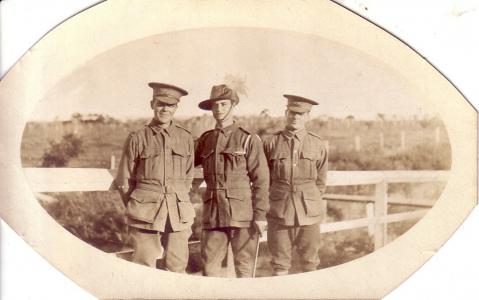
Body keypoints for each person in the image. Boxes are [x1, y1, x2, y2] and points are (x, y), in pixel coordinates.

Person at [115, 82, 196, 273]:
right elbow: (123, 181)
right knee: (144, 267)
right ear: (152, 104)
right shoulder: (137, 137)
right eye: (160, 104)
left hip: (178, 211)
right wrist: (138, 204)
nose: (165, 109)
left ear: (176, 107)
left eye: (170, 105)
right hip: (145, 211)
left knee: (177, 266)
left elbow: (188, 177)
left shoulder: (185, 138)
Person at [194, 84, 269, 277]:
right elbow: (183, 161)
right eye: (215, 105)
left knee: (244, 269)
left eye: (223, 104)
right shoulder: (206, 140)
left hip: (243, 215)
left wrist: (260, 215)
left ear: (233, 105)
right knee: (210, 270)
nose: (218, 109)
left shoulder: (247, 139)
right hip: (214, 215)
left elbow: (261, 180)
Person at [263, 94, 328, 276]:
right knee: (280, 265)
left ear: (308, 116)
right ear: (286, 113)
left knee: (309, 264)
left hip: (309, 214)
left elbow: (321, 180)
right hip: (279, 213)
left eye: (301, 113)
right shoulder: (271, 142)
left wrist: (311, 199)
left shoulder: (317, 143)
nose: (296, 117)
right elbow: (263, 179)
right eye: (292, 112)